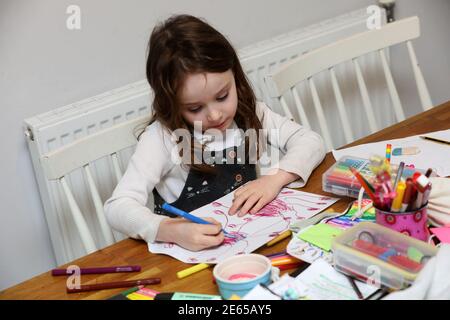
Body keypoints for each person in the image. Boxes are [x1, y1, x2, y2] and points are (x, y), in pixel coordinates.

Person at [104, 14, 325, 251]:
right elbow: (117, 206)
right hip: (191, 260)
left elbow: (311, 141)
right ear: (172, 103)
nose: (215, 115)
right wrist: (169, 229)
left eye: (222, 97)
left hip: (253, 245)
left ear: (234, 75)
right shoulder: (162, 138)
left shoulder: (249, 113)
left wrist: (274, 179)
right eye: (195, 108)